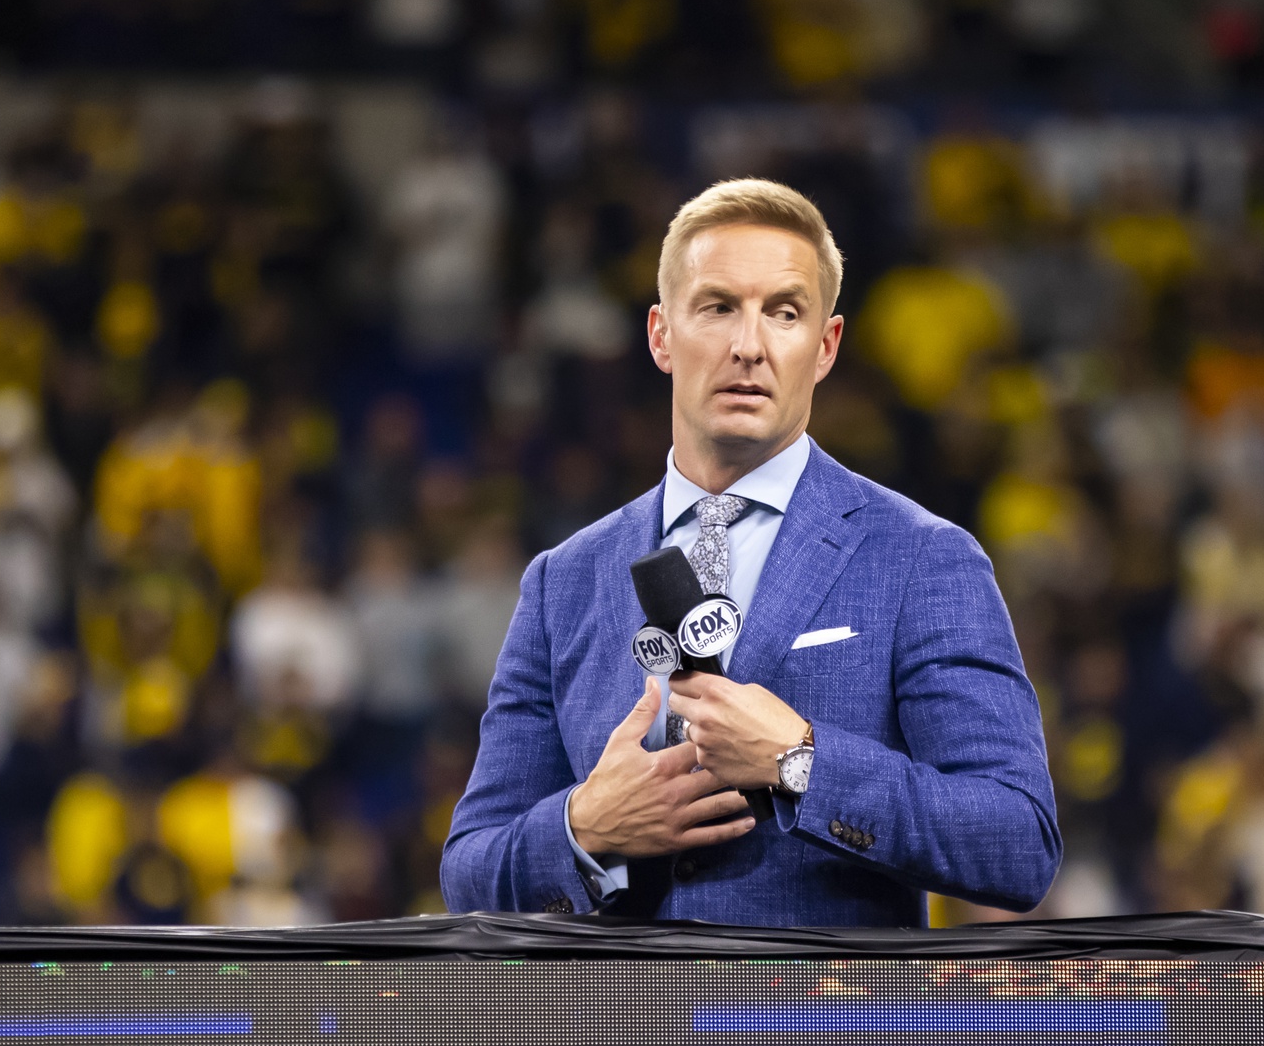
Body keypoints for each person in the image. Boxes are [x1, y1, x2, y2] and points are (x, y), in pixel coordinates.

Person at [441, 179, 1060, 926]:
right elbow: (470, 874)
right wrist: (584, 827)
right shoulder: (564, 580)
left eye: (784, 312)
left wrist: (800, 760)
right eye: (717, 307)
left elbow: (1016, 842)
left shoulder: (922, 559)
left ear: (824, 347)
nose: (748, 345)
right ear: (661, 335)